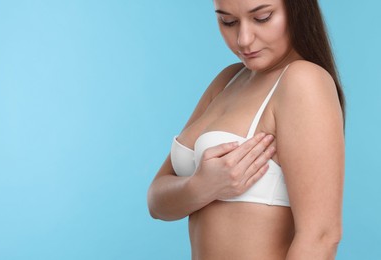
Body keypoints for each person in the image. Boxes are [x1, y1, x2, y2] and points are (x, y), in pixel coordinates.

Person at [147, 0, 345, 259]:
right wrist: (202, 187)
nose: (243, 39)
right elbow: (156, 202)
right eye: (228, 21)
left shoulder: (303, 81)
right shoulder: (228, 80)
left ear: (297, 10)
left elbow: (321, 236)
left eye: (262, 18)